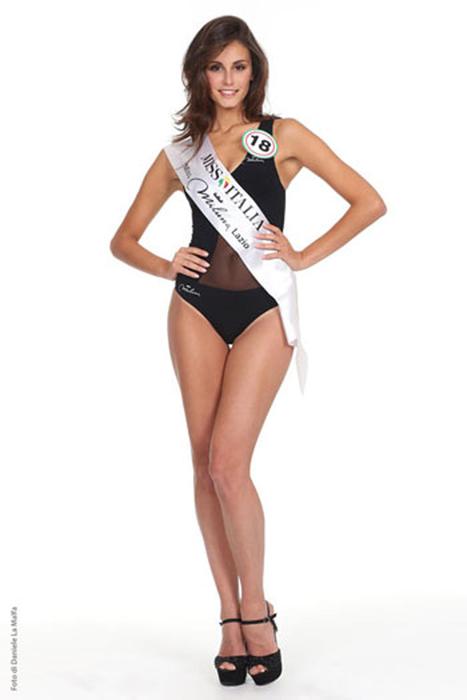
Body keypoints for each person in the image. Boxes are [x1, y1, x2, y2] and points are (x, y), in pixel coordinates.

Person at [110, 15, 386, 687]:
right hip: (195, 309)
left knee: (229, 464)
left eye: (238, 66)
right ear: (198, 74)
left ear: (254, 71)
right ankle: (228, 617)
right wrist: (164, 265)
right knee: (203, 465)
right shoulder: (184, 153)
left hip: (263, 309)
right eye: (216, 67)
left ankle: (258, 609)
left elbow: (368, 201)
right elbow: (123, 239)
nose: (228, 79)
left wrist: (303, 254)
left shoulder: (283, 136)